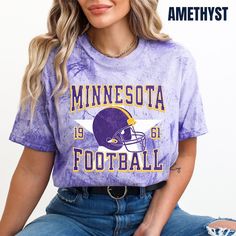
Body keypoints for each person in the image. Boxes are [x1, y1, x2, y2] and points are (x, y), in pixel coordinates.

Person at [0, 0, 236, 235]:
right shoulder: (55, 63)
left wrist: (152, 225)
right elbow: (32, 168)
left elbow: (185, 153)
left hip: (156, 210)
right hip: (76, 217)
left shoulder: (175, 61)